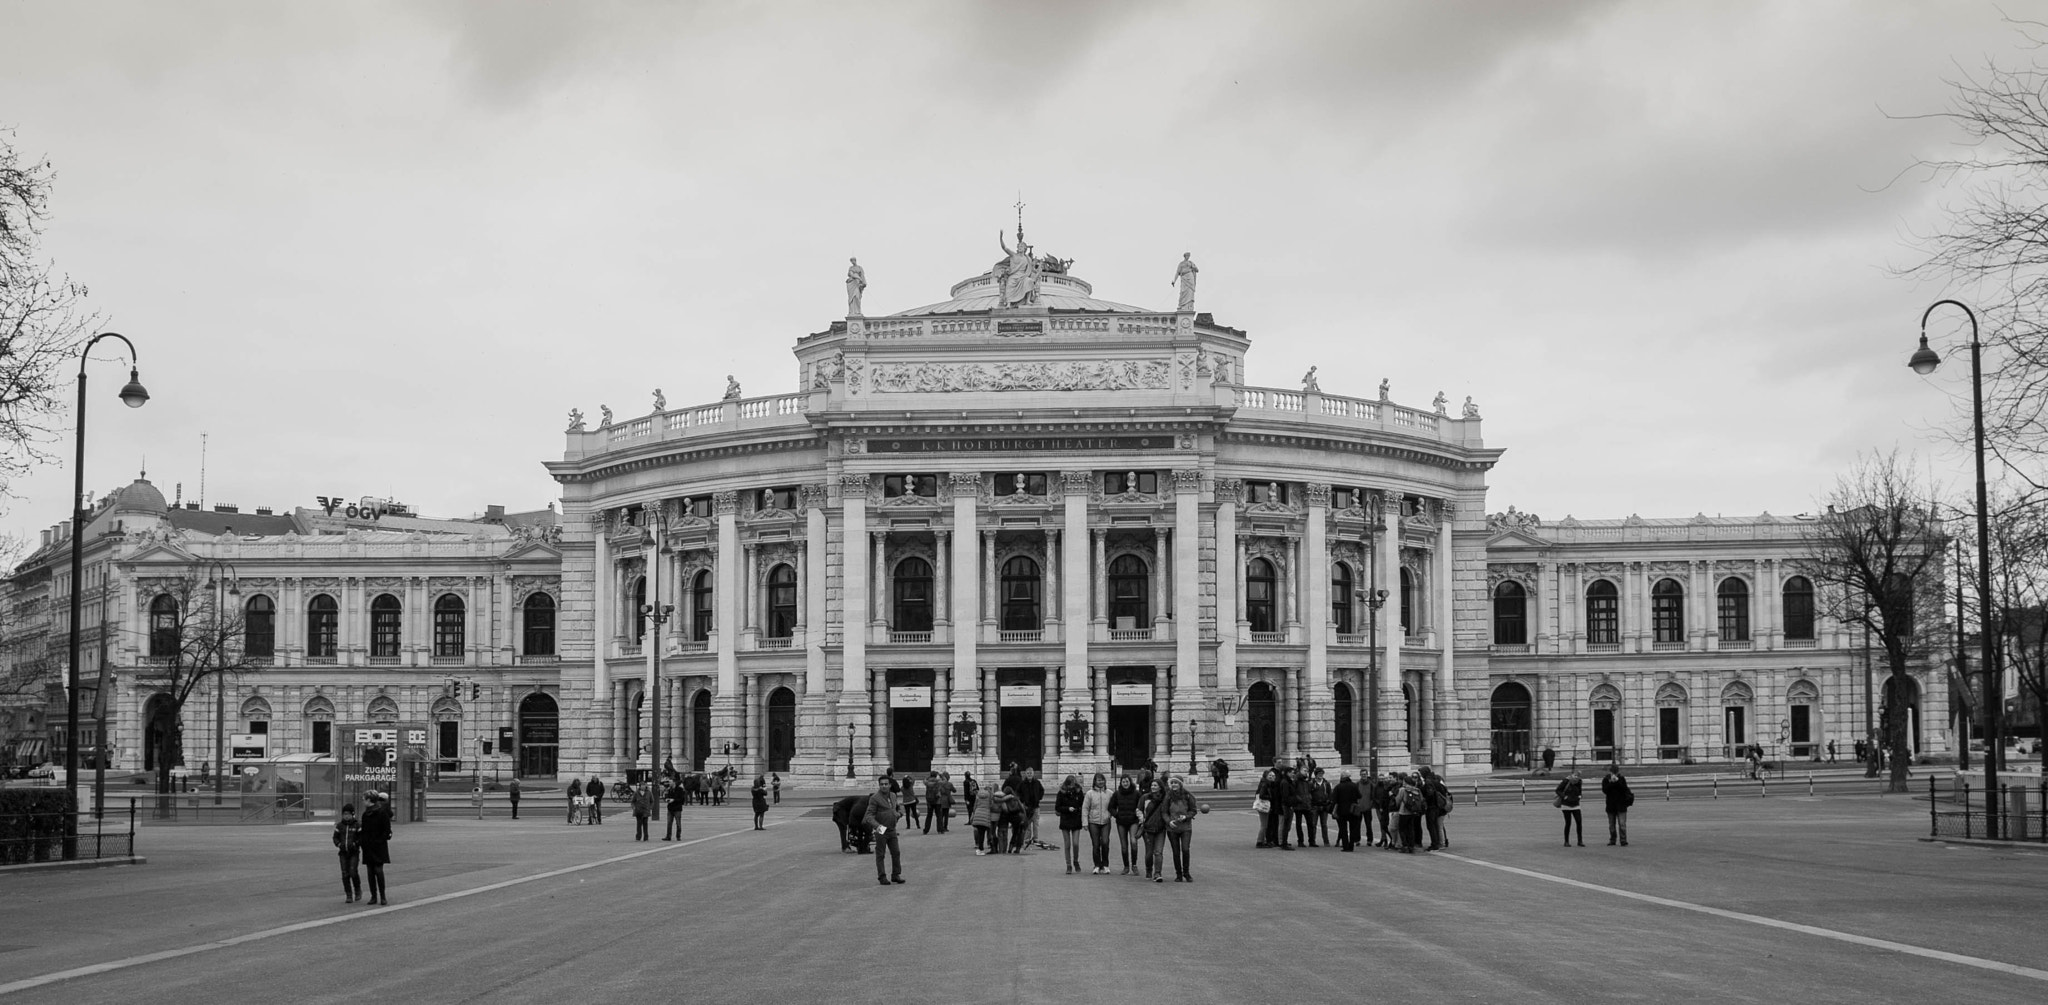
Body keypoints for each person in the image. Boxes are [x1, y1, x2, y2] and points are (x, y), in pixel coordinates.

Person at [864, 774, 905, 886]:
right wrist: (878, 827)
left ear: (890, 785)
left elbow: (898, 806)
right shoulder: (875, 798)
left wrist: (899, 813)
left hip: (891, 829)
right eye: (882, 784)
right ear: (879, 785)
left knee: (896, 852)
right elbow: (869, 816)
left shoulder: (892, 795)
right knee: (881, 854)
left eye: (886, 784)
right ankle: (882, 876)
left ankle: (896, 875)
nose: (884, 786)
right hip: (881, 829)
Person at [1163, 776, 1200, 882]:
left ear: (1180, 784)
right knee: (1176, 851)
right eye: (1172, 782)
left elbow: (1193, 810)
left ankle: (1186, 873)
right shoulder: (1168, 796)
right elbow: (1164, 811)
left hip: (1185, 827)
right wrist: (1169, 821)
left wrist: (1186, 816)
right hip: (1172, 828)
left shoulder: (1188, 795)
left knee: (1185, 849)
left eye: (1176, 783)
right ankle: (1178, 874)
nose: (1173, 784)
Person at [359, 791, 394, 905]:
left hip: (378, 845)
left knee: (378, 870)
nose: (363, 801)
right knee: (370, 871)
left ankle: (381, 896)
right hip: (369, 846)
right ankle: (374, 896)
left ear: (369, 800)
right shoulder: (366, 814)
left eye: (364, 799)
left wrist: (379, 840)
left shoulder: (381, 813)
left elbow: (386, 830)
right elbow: (363, 831)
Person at [1108, 774, 1142, 874]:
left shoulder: (1136, 793)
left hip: (1133, 821)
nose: (1125, 783)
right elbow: (1111, 807)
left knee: (1133, 842)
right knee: (1124, 845)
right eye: (1123, 782)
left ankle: (1134, 865)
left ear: (1130, 782)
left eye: (1127, 781)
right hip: (1121, 822)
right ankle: (1126, 866)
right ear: (1121, 783)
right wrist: (1116, 815)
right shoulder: (1117, 794)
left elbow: (1141, 805)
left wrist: (1138, 816)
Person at [1137, 778, 1169, 882]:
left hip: (1160, 828)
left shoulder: (1165, 798)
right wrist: (1142, 820)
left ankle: (1157, 873)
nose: (1153, 787)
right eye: (1152, 785)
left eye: (1155, 785)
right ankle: (1149, 870)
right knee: (1149, 852)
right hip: (1148, 828)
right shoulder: (1145, 797)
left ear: (1160, 787)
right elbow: (1139, 810)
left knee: (1158, 852)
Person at [1054, 774, 1086, 874]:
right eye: (1070, 784)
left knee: (1075, 843)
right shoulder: (1061, 793)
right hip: (1065, 819)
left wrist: (1079, 811)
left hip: (1076, 819)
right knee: (1067, 844)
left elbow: (1083, 805)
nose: (1071, 786)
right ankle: (1068, 865)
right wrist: (1067, 809)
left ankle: (1076, 861)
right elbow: (1057, 807)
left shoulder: (1079, 792)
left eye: (1073, 784)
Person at [1082, 773, 1113, 874]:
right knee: (1096, 844)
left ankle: (1105, 864)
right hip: (1093, 822)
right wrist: (1085, 822)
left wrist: (1110, 814)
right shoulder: (1089, 793)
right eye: (1098, 780)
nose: (1100, 782)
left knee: (1105, 842)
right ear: (1094, 781)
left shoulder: (1109, 793)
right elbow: (1085, 808)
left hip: (1105, 821)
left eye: (1102, 780)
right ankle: (1097, 865)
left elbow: (1113, 806)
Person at [332, 802, 363, 903]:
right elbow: (335, 837)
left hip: (354, 852)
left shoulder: (357, 825)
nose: (346, 816)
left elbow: (361, 838)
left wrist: (355, 844)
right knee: (345, 873)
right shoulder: (340, 826)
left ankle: (357, 890)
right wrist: (339, 844)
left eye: (348, 814)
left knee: (353, 872)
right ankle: (348, 894)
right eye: (344, 814)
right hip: (343, 853)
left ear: (352, 814)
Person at [1601, 764, 1634, 846]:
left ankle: (1623, 840)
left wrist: (1617, 781)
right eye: (1613, 772)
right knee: (1611, 825)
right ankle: (1613, 839)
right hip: (1611, 805)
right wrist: (1611, 783)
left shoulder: (1622, 779)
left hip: (1621, 804)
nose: (1614, 774)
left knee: (1622, 824)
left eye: (1615, 772)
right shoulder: (1606, 779)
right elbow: (1605, 790)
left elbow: (1624, 789)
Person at [1331, 771, 1363, 852]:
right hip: (1352, 810)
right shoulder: (1354, 785)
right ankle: (1351, 846)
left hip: (1341, 810)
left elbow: (1334, 799)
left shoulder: (1338, 787)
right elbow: (1359, 796)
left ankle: (1345, 846)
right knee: (1353, 828)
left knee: (1343, 829)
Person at [1419, 765, 1449, 851]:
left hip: (1431, 807)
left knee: (1431, 826)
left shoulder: (1428, 782)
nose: (1420, 775)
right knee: (1436, 825)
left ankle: (1434, 844)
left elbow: (1429, 794)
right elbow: (1444, 790)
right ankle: (1440, 842)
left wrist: (1424, 798)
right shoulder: (1437, 779)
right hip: (1438, 807)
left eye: (1421, 773)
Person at [968, 775, 997, 855]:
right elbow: (991, 806)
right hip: (985, 816)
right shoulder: (990, 796)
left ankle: (978, 847)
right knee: (985, 833)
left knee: (979, 832)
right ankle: (982, 848)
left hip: (978, 815)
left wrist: (974, 814)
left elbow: (974, 806)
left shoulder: (978, 796)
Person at [1556, 769, 1585, 847]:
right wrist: (1564, 797)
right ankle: (1566, 841)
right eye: (1575, 775)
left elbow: (1580, 791)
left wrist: (1579, 796)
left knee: (1579, 822)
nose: (1576, 777)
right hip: (1566, 804)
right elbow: (1558, 790)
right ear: (1572, 775)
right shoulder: (1566, 781)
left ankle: (1580, 841)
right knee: (1568, 823)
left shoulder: (1579, 782)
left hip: (1576, 804)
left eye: (1578, 776)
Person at [1018, 768, 1045, 848]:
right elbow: (1018, 792)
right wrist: (1022, 800)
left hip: (1036, 806)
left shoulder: (1037, 782)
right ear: (1025, 774)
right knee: (1028, 823)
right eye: (1028, 773)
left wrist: (1039, 798)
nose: (1029, 774)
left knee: (1036, 823)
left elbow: (1042, 791)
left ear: (1033, 774)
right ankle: (1027, 838)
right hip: (1027, 806)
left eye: (1031, 773)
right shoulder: (1022, 783)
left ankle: (1035, 838)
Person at [1253, 769, 1278, 849]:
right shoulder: (1265, 784)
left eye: (1273, 776)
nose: (1272, 777)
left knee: (1265, 824)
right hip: (1264, 806)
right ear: (1266, 776)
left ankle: (1262, 840)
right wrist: (1271, 797)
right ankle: (1260, 841)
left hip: (1264, 806)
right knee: (1264, 825)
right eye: (1270, 775)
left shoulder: (1267, 783)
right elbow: (1262, 795)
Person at [663, 775, 686, 841]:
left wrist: (674, 800)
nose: (669, 783)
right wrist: (667, 799)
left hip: (677, 809)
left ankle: (678, 836)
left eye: (670, 782)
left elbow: (682, 800)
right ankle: (668, 836)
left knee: (678, 823)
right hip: (670, 808)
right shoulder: (669, 790)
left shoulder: (680, 790)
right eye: (669, 782)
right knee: (669, 823)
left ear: (674, 782)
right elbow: (665, 796)